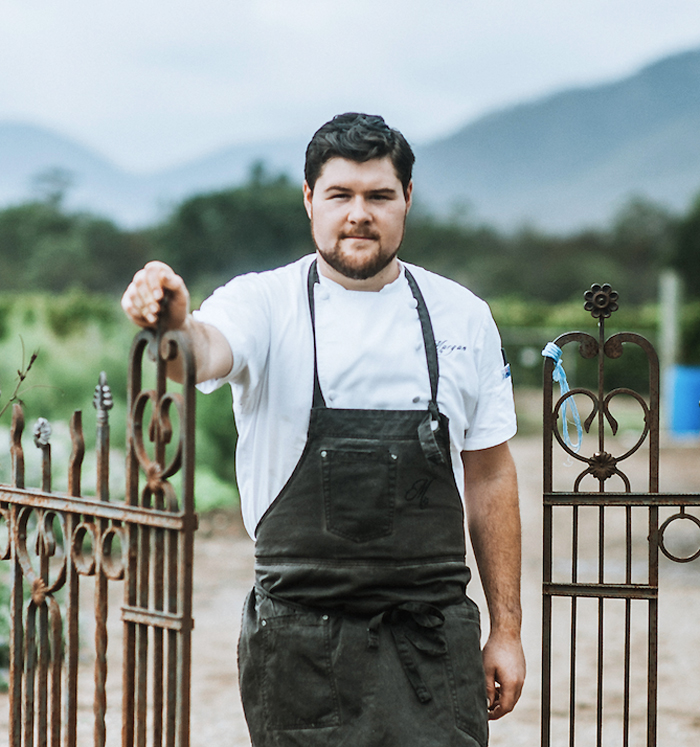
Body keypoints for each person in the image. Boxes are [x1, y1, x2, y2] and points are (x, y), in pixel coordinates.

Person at [121, 112, 525, 746]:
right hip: (301, 647)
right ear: (310, 200)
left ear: (407, 200)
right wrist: (169, 322)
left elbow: (492, 474)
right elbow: (198, 350)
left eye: (379, 196)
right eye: (340, 195)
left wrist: (506, 628)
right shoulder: (263, 303)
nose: (358, 213)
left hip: (434, 642)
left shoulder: (463, 316)